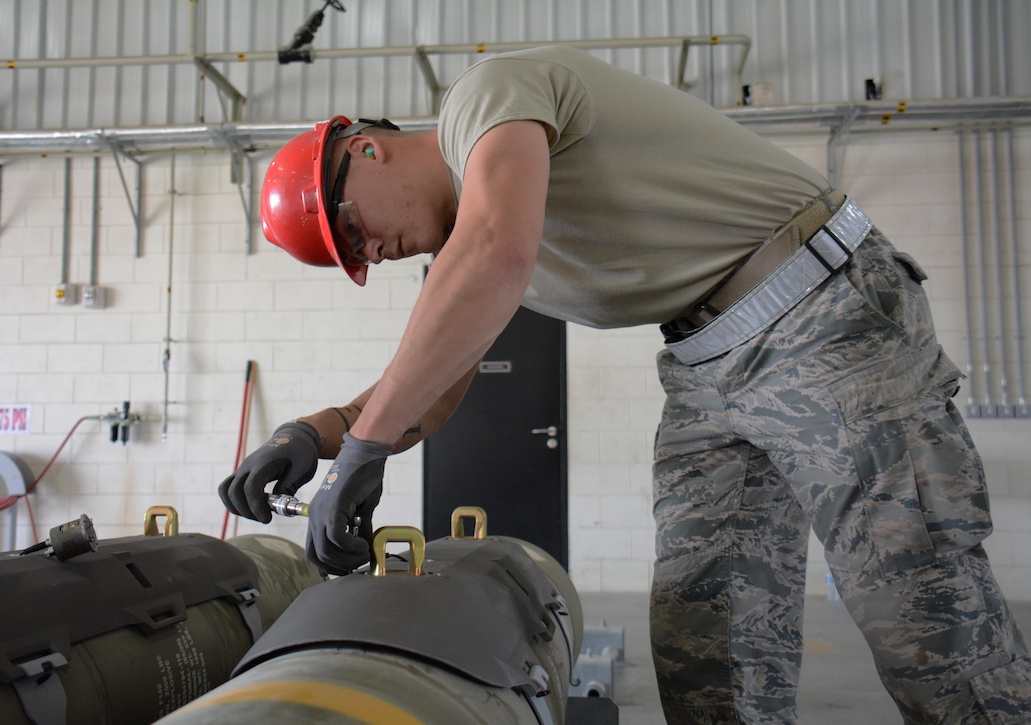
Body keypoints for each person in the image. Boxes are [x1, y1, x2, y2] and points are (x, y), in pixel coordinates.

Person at [218, 46, 1031, 723]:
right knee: (708, 635)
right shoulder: (464, 251)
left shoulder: (485, 101)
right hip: (705, 363)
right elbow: (430, 389)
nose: (373, 252)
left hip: (821, 311)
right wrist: (314, 435)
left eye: (353, 228)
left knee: (926, 618)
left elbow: (500, 249)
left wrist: (364, 448)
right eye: (355, 259)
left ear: (366, 148)